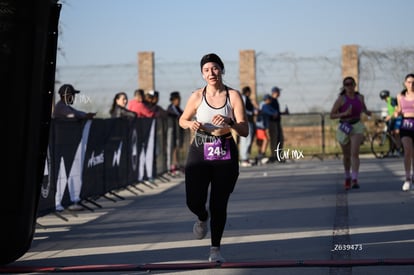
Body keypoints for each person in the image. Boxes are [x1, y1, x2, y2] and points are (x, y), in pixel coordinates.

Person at [178, 53, 248, 263]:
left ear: (221, 70)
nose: (211, 73)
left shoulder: (233, 96)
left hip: (225, 149)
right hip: (200, 148)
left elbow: (244, 130)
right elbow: (182, 119)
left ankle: (215, 249)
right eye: (206, 70)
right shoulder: (197, 96)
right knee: (193, 200)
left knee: (219, 203)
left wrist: (230, 122)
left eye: (215, 68)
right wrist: (190, 124)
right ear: (202, 73)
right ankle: (202, 217)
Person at [330, 76, 372, 190]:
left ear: (355, 85)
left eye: (351, 84)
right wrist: (343, 114)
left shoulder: (360, 97)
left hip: (356, 125)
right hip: (344, 126)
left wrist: (367, 112)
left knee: (355, 153)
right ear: (344, 87)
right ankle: (347, 176)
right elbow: (332, 115)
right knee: (347, 155)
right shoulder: (341, 99)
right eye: (346, 84)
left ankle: (355, 179)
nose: (349, 86)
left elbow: (363, 108)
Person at [394, 73, 414, 191]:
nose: (411, 85)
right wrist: (397, 113)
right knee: (407, 151)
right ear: (405, 83)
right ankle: (407, 178)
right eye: (409, 82)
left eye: (413, 82)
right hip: (406, 124)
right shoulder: (400, 96)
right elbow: (399, 109)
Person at [268, 86, 288, 163]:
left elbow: (276, 112)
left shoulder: (275, 101)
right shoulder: (271, 101)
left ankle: (279, 156)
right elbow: (271, 112)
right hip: (272, 123)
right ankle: (274, 156)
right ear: (275, 92)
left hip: (277, 122)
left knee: (280, 139)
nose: (279, 93)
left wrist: (282, 113)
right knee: (274, 139)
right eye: (278, 92)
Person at [239, 86, 258, 167]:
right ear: (247, 91)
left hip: (250, 121)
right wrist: (252, 113)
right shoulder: (243, 97)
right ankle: (244, 159)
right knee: (245, 140)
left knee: (248, 140)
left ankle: (246, 157)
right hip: (245, 122)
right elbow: (242, 109)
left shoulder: (247, 98)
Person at [166, 91, 184, 175]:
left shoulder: (178, 109)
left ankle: (176, 165)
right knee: (171, 148)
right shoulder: (171, 108)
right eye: (177, 99)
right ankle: (170, 166)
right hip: (171, 131)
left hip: (177, 132)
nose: (179, 101)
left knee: (176, 148)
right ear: (173, 100)